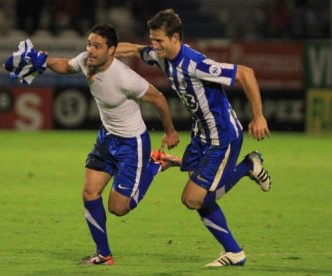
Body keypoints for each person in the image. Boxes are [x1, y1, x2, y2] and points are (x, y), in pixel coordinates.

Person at [116, 9, 271, 267]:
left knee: (193, 198)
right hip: (201, 135)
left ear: (175, 38)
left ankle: (247, 166)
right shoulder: (162, 55)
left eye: (159, 41)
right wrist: (100, 55)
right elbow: (132, 49)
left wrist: (258, 116)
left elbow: (246, 73)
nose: (154, 46)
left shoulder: (196, 64)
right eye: (152, 40)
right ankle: (234, 252)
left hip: (222, 137)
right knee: (196, 192)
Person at [45, 23, 181, 265]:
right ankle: (104, 254)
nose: (90, 50)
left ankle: (156, 164)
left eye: (97, 46)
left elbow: (159, 99)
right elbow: (65, 66)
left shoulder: (126, 78)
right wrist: (44, 61)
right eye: (89, 44)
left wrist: (170, 132)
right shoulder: (87, 60)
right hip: (107, 138)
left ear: (111, 51)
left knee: (118, 209)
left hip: (132, 145)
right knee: (89, 193)